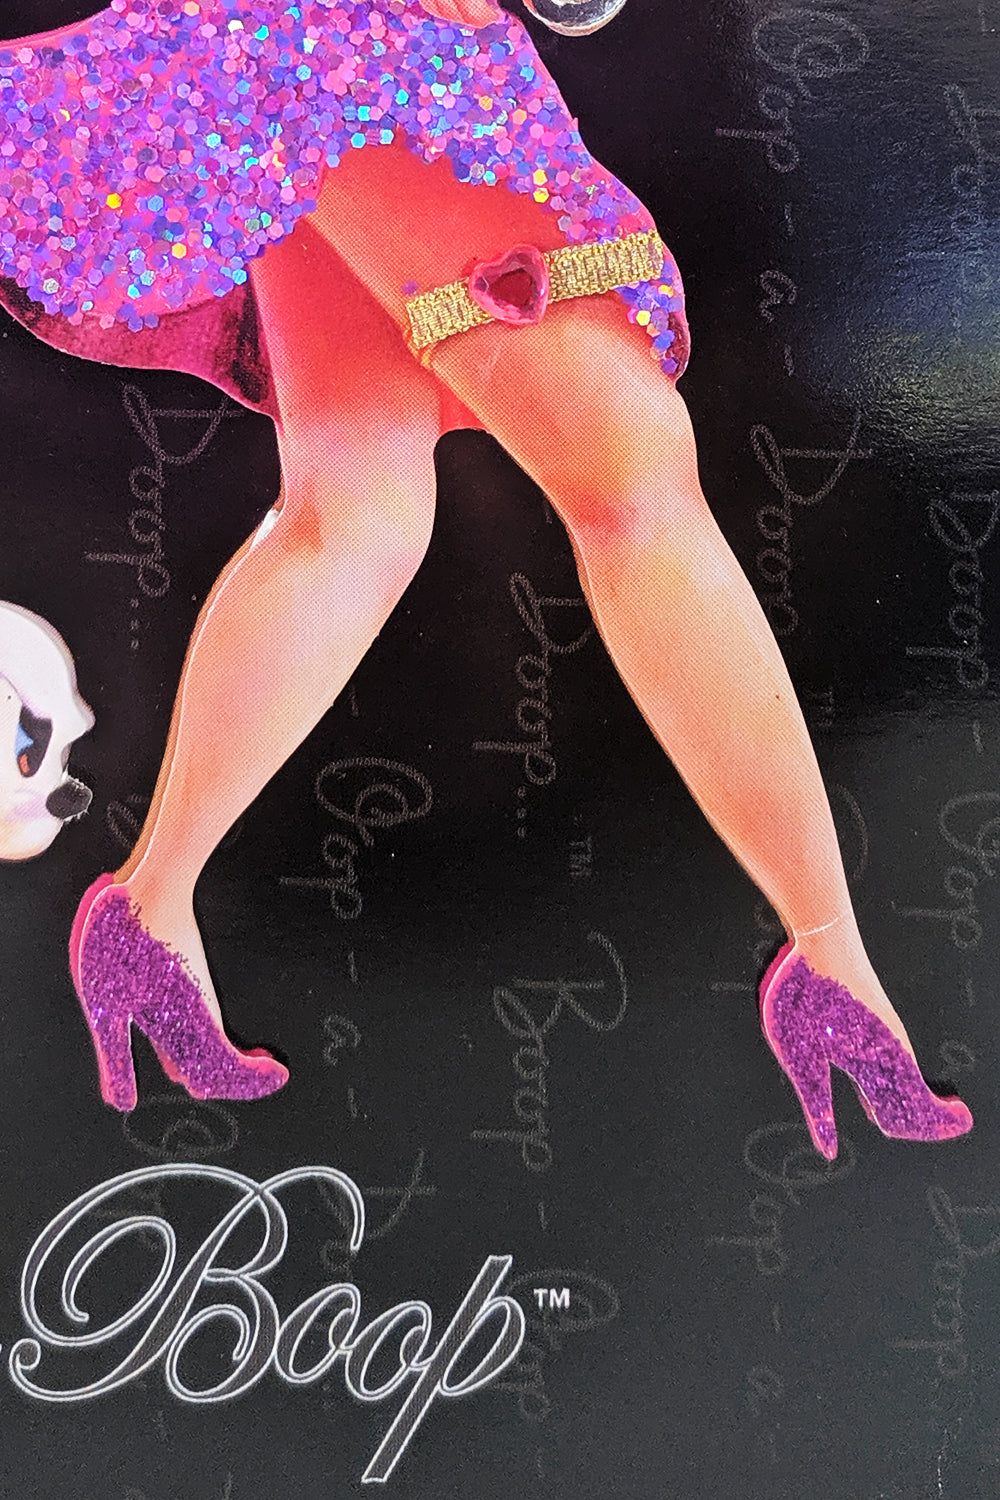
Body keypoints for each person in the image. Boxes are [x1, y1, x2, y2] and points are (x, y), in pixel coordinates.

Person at [0, 0, 972, 1156]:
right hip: (354, 41)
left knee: (359, 507)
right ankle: (830, 964)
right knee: (623, 474)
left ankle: (148, 913)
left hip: (327, 48)